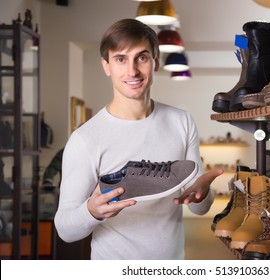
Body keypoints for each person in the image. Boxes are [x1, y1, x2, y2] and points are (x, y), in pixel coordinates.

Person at [54, 18, 223, 260]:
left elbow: (199, 208)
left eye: (141, 58)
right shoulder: (85, 139)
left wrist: (202, 194)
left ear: (155, 62)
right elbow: (65, 229)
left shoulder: (181, 121)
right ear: (106, 66)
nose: (132, 71)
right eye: (121, 59)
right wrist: (91, 212)